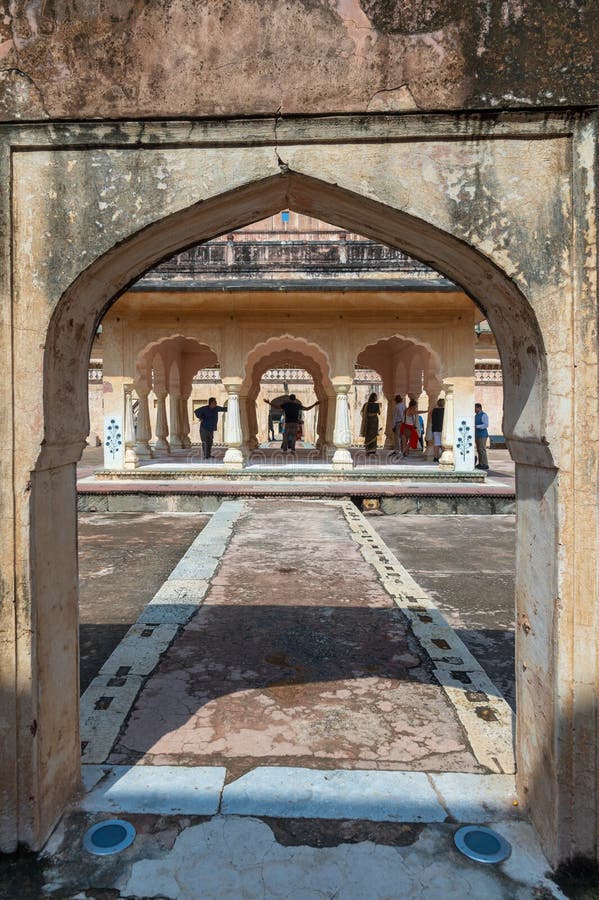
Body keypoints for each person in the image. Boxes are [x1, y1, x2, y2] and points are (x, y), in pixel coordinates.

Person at [475, 402, 490, 470]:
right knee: (479, 449)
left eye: (475, 408)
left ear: (479, 408)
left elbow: (486, 425)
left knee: (482, 449)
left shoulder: (484, 415)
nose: (474, 409)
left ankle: (485, 464)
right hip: (477, 434)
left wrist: (477, 426)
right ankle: (480, 463)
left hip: (483, 435)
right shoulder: (476, 415)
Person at [390, 394, 406, 459]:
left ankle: (398, 453)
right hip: (404, 423)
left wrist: (393, 426)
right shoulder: (404, 405)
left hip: (398, 423)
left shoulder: (397, 406)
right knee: (403, 438)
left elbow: (395, 417)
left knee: (397, 439)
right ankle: (403, 452)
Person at [431, 398, 445, 463]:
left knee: (436, 444)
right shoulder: (445, 410)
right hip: (442, 429)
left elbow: (431, 417)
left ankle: (435, 457)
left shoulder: (434, 410)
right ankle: (443, 456)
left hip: (435, 429)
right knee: (443, 443)